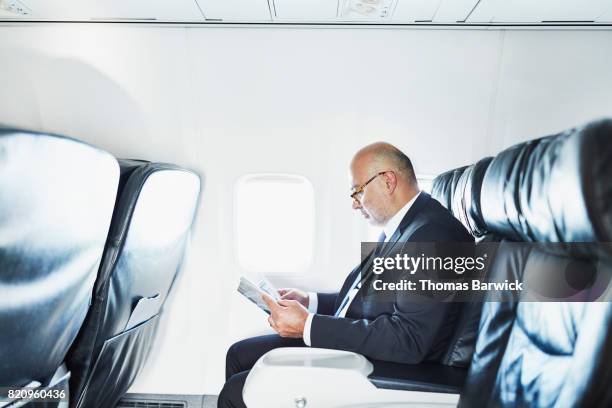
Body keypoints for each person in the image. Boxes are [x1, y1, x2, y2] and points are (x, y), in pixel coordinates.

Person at [218, 142, 474, 407]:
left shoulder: (433, 236)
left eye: (357, 191)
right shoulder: (405, 226)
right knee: (238, 355)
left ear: (387, 181)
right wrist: (311, 302)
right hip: (358, 344)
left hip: (381, 364)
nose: (354, 204)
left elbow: (408, 339)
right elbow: (368, 297)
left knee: (237, 391)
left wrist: (307, 325)